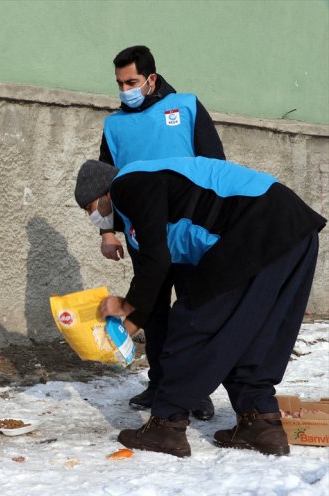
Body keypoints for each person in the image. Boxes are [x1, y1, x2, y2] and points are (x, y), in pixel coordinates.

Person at [74, 157, 325, 457]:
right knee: (259, 333)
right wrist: (127, 325)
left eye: (91, 208)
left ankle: (166, 425)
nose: (94, 217)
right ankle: (260, 422)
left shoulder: (129, 183)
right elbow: (153, 278)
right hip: (292, 228)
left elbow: (156, 262)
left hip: (255, 223)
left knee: (193, 323)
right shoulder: (138, 218)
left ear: (105, 193)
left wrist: (126, 304)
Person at [96, 45, 225, 420]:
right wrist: (107, 233)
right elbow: (105, 183)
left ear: (151, 79)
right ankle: (159, 382)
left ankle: (195, 390)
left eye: (132, 82)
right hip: (142, 233)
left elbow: (215, 165)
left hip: (189, 232)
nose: (125, 90)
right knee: (152, 309)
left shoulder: (186, 107)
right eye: (120, 84)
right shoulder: (114, 126)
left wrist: (215, 223)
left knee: (192, 309)